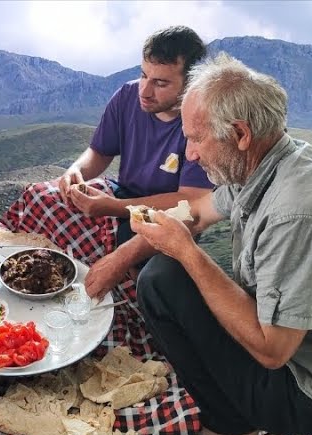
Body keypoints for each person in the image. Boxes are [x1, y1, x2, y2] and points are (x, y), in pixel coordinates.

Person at [128, 54, 312, 435]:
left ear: (240, 133)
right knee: (162, 274)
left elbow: (274, 352)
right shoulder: (261, 161)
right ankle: (232, 406)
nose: (189, 153)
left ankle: (234, 424)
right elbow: (199, 211)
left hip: (309, 396)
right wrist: (121, 256)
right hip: (305, 357)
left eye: (196, 138)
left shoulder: (300, 213)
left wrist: (187, 251)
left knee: (162, 278)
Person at [13, 26, 214, 297]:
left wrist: (115, 208)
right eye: (144, 75)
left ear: (190, 85)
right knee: (41, 197)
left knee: (144, 277)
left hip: (167, 220)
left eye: (161, 83)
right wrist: (76, 171)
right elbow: (99, 152)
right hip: (120, 196)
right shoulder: (127, 97)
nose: (145, 90)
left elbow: (190, 203)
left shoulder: (201, 123)